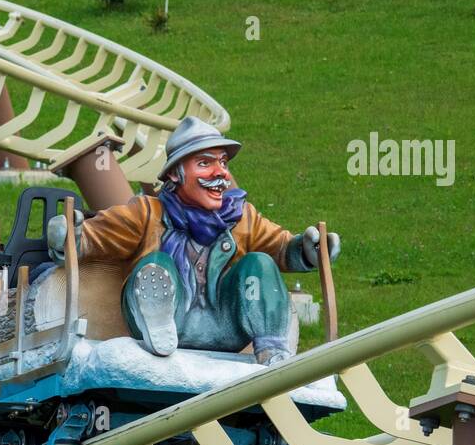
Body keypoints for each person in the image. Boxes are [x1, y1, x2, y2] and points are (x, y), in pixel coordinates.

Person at [47, 116, 342, 366]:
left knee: (259, 263)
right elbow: (97, 235)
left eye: (223, 163)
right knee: (155, 264)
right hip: (170, 326)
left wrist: (307, 250)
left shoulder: (241, 217)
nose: (220, 174)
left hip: (225, 324)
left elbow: (280, 247)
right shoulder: (148, 213)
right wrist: (70, 235)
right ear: (176, 174)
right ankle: (159, 324)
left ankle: (273, 351)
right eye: (205, 163)